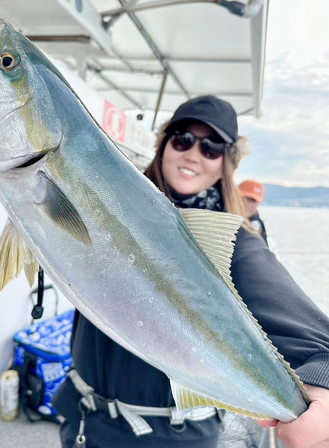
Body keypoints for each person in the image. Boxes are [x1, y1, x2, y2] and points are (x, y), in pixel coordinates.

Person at [52, 95, 329, 448]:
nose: (194, 154)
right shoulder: (106, 197)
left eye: (212, 147)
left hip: (175, 438)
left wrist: (323, 383)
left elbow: (318, 342)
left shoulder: (234, 244)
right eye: (182, 138)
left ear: (226, 164)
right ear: (164, 144)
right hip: (84, 422)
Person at [238, 180, 268, 244]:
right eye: (244, 198)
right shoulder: (222, 216)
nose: (247, 203)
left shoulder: (258, 226)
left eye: (253, 201)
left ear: (258, 203)